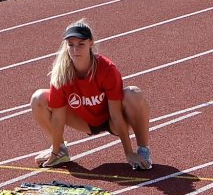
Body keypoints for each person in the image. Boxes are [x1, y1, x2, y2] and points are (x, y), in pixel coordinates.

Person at [30, 20, 153, 170]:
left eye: (81, 44)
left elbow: (115, 114)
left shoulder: (107, 69)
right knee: (39, 98)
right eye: (71, 44)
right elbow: (58, 116)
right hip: (84, 120)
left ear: (91, 44)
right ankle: (61, 152)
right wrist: (55, 151)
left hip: (111, 120)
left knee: (133, 94)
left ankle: (143, 150)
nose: (75, 49)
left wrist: (129, 152)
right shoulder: (60, 73)